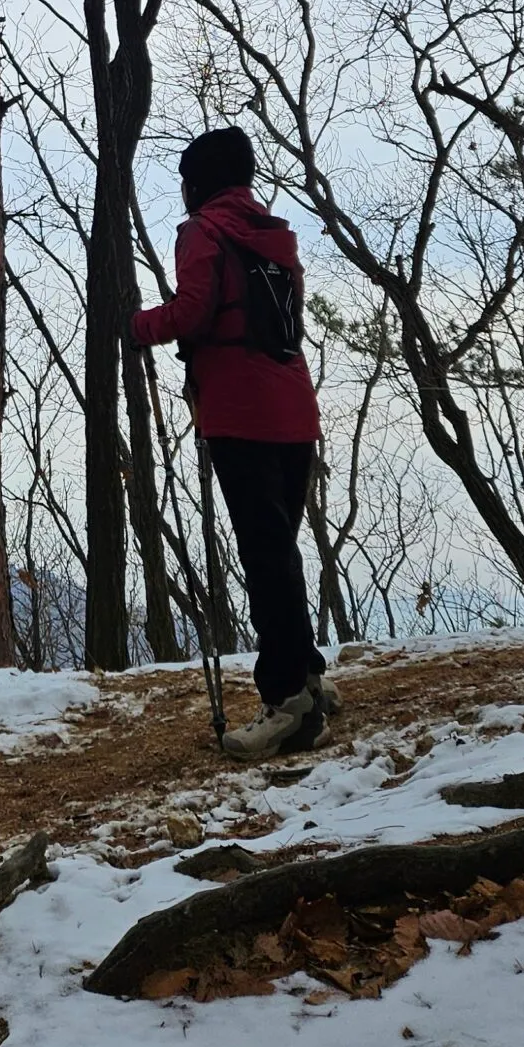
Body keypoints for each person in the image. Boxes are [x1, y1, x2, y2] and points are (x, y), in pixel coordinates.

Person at [132, 126, 332, 761]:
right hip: (295, 409)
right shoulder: (276, 238)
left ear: (200, 182)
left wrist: (134, 326)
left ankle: (290, 706)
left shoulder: (203, 233)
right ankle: (311, 681)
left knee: (267, 561)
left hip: (239, 412)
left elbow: (191, 311)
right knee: (281, 555)